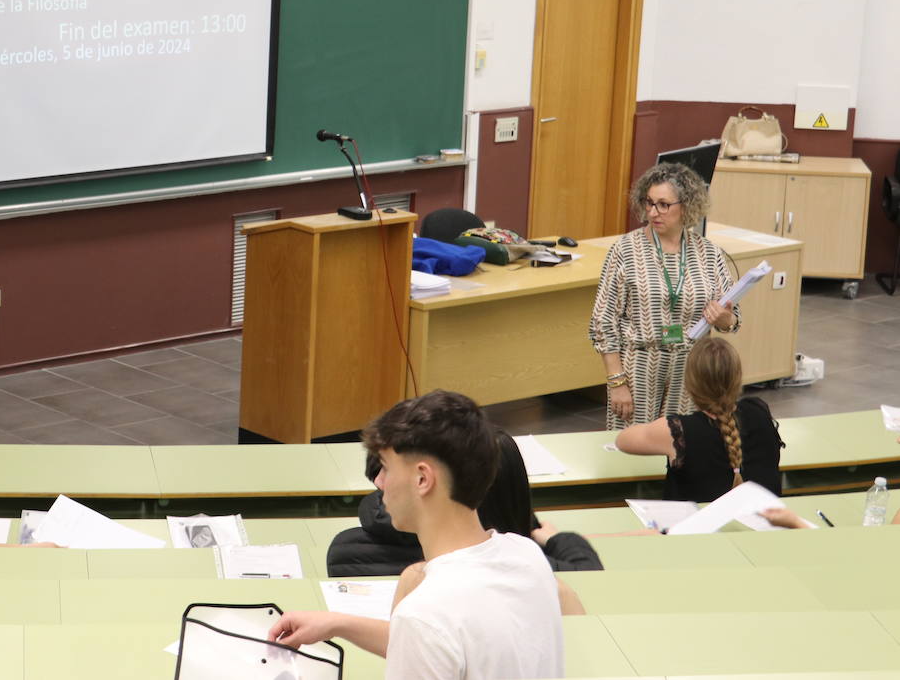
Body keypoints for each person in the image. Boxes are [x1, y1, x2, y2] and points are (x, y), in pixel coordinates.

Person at [269, 391, 563, 679]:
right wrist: (337, 624)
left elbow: (428, 635)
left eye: (385, 467)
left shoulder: (424, 614)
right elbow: (445, 646)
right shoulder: (526, 556)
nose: (380, 482)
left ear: (423, 479)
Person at [327, 430, 601, 576]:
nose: (381, 483)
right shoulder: (523, 563)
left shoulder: (347, 550)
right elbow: (588, 575)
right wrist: (556, 538)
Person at [590, 163, 739, 428]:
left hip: (691, 372)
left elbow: (732, 321)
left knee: (684, 450)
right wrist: (617, 383)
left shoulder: (709, 253)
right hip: (639, 368)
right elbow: (603, 322)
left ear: (687, 206)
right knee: (633, 452)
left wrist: (724, 318)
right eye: (648, 203)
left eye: (663, 205)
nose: (652, 212)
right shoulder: (625, 250)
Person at [615, 336, 783, 502]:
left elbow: (622, 440)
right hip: (765, 523)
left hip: (694, 527)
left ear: (689, 384)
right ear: (738, 378)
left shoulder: (677, 430)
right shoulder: (759, 412)